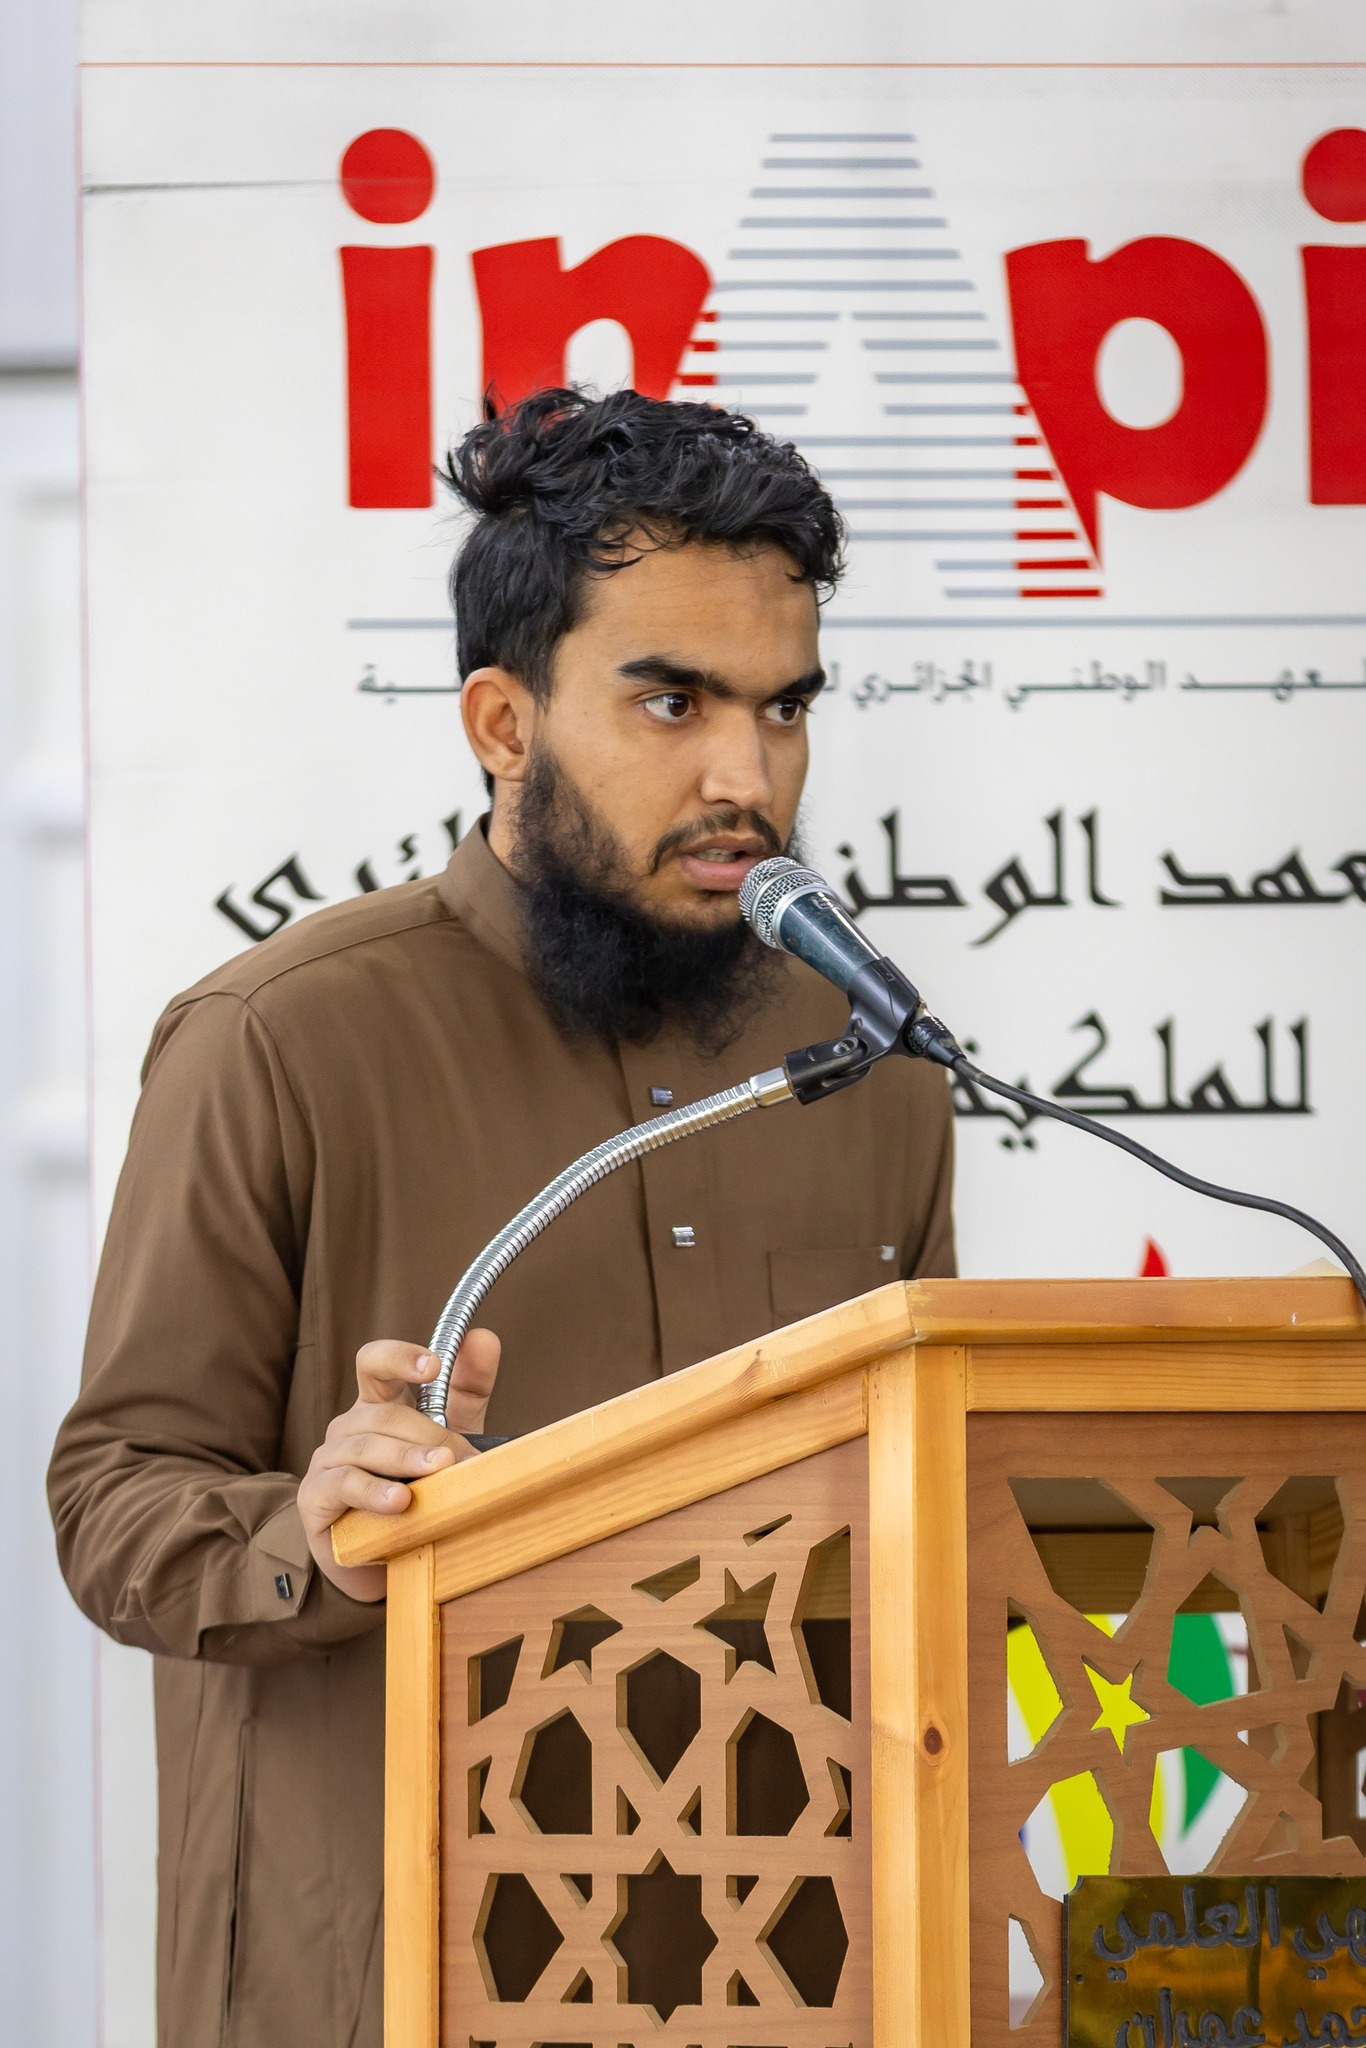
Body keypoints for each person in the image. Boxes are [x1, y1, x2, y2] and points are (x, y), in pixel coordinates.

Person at [48, 388, 954, 2048]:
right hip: (388, 1969)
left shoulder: (863, 1066)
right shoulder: (280, 1039)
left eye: (783, 709)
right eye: (672, 702)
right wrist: (311, 1531)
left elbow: (937, 1486)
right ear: (502, 722)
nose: (746, 775)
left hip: (782, 1978)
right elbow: (111, 1503)